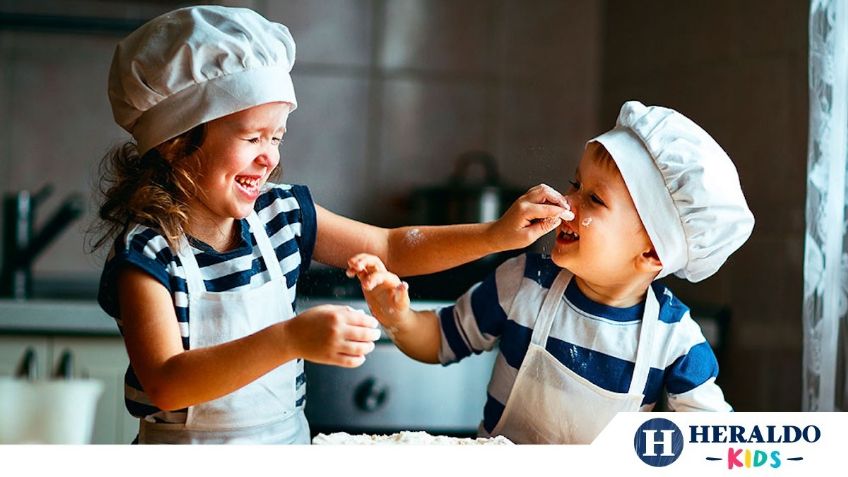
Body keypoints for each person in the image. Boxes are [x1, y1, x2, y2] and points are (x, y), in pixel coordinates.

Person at [91, 5, 572, 444]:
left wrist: (497, 235)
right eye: (253, 136)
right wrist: (290, 338)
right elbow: (167, 383)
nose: (269, 156)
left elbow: (393, 245)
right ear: (177, 142)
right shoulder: (148, 254)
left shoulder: (282, 215)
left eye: (276, 136)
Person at [348, 100, 755, 444]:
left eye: (593, 198)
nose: (567, 203)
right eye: (574, 185)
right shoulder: (524, 282)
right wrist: (398, 318)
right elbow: (439, 340)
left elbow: (714, 442)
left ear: (652, 250)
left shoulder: (675, 341)